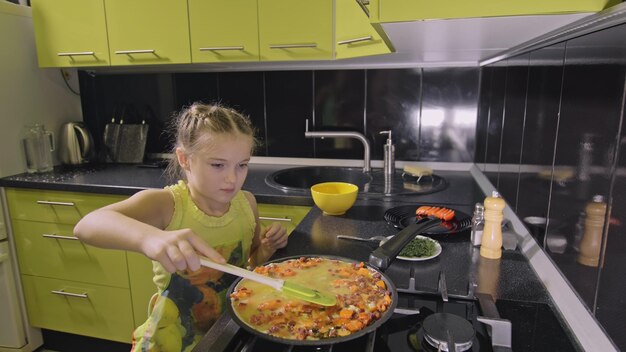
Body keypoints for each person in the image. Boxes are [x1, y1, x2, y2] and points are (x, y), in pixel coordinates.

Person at [74, 103, 288, 352]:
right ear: (185, 159)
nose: (233, 178)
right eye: (218, 165)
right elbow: (87, 225)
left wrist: (267, 248)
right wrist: (149, 238)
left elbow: (250, 263)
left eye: (241, 165)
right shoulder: (167, 205)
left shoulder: (246, 203)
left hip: (227, 331)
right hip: (174, 339)